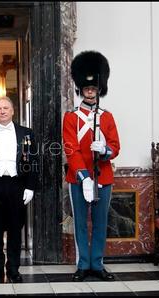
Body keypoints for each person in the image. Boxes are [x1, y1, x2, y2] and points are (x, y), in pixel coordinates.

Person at [63, 51, 120, 282]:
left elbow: (116, 146)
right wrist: (84, 176)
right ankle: (82, 264)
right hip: (78, 178)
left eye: (94, 88)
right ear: (81, 89)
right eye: (86, 89)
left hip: (103, 177)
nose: (90, 91)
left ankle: (97, 263)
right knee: (80, 224)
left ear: (99, 89)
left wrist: (105, 150)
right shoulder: (71, 117)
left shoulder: (107, 117)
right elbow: (70, 148)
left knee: (100, 223)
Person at [0, 96, 39, 283]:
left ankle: (13, 269)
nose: (2, 111)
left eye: (6, 108)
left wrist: (30, 187)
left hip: (17, 185)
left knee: (15, 230)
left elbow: (33, 161)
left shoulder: (27, 133)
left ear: (12, 111)